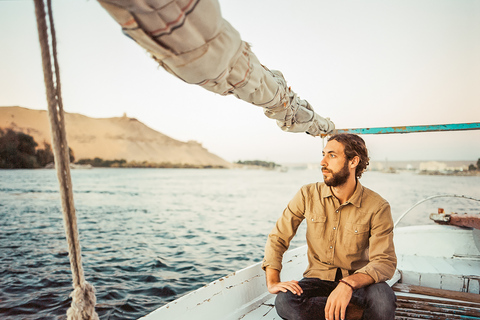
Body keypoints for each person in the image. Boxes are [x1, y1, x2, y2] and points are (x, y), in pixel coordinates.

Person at [262, 133, 397, 320]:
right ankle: (353, 314)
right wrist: (273, 281)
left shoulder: (377, 206)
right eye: (323, 154)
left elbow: (384, 261)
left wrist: (348, 284)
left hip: (359, 282)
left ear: (353, 161)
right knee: (285, 302)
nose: (322, 162)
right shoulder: (307, 194)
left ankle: (340, 310)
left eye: (332, 155)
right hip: (317, 279)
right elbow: (278, 237)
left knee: (383, 301)